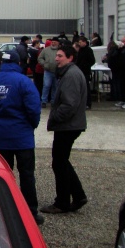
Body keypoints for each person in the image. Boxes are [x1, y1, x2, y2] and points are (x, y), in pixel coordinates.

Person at [0, 49, 44, 225]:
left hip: (0, 135)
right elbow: (33, 109)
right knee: (27, 175)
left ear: (1, 63)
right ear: (18, 64)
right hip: (22, 137)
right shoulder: (24, 82)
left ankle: (2, 209)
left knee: (3, 175)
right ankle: (30, 212)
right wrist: (31, 124)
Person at [41, 44, 88, 214]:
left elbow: (69, 104)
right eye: (57, 56)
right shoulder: (69, 73)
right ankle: (78, 195)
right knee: (62, 161)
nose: (56, 59)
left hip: (68, 126)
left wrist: (55, 117)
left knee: (59, 163)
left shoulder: (71, 76)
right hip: (69, 125)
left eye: (60, 56)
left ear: (70, 58)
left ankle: (62, 202)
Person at [38, 38, 60, 106]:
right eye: (52, 42)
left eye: (55, 42)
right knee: (46, 86)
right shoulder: (46, 50)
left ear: (58, 43)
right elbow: (40, 58)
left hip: (57, 71)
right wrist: (44, 64)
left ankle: (53, 101)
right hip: (48, 71)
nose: (53, 43)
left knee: (55, 86)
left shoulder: (60, 50)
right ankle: (44, 101)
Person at [75, 36, 95, 110]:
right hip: (80, 70)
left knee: (86, 87)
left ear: (84, 42)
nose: (79, 44)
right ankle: (81, 102)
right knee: (80, 88)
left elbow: (92, 61)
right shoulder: (80, 50)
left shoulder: (88, 50)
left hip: (85, 71)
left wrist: (85, 66)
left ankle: (88, 103)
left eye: (80, 42)